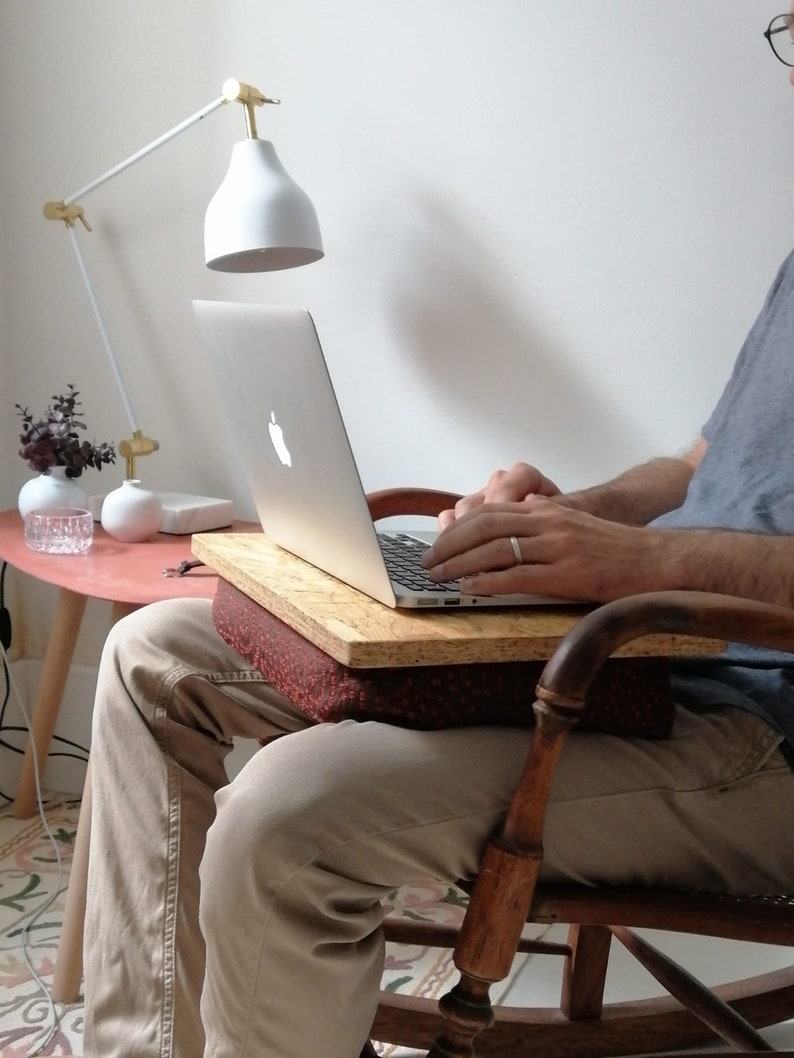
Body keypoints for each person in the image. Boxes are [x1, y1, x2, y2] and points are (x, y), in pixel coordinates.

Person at [83, 15, 794, 1058]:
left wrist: (649, 563)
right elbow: (696, 464)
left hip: (756, 738)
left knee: (288, 817)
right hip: (635, 665)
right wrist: (572, 513)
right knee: (151, 654)